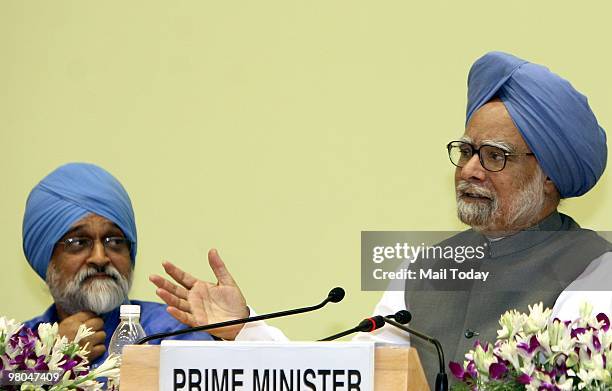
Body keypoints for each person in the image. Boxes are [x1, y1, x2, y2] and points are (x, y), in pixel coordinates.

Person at [147, 51, 612, 386]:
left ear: (548, 175)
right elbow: (356, 376)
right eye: (466, 151)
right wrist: (246, 328)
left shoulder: (595, 270)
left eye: (494, 156)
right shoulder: (424, 269)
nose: (470, 168)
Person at [21, 163, 223, 368]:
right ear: (46, 258)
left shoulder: (173, 334)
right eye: (79, 242)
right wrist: (48, 360)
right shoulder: (16, 348)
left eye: (114, 241)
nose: (100, 258)